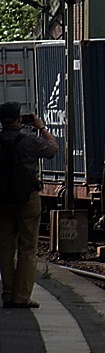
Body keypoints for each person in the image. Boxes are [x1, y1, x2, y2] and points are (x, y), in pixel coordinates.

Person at [0, 101, 58, 309]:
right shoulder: (29, 141)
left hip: (2, 202)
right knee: (27, 249)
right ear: (19, 119)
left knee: (5, 249)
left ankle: (7, 294)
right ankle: (21, 297)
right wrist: (40, 127)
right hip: (28, 199)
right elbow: (53, 149)